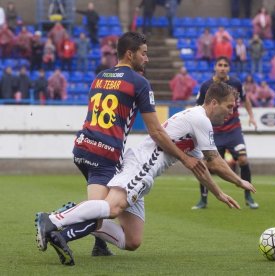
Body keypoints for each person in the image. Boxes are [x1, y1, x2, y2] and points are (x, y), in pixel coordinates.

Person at [35, 82, 256, 266]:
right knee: (112, 208)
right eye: (229, 107)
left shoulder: (196, 123)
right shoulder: (201, 119)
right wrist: (240, 181)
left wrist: (217, 193)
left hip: (144, 173)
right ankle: (54, 219)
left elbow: (202, 166)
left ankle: (77, 212)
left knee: (132, 240)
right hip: (141, 166)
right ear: (214, 103)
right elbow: (216, 162)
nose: (231, 113)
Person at [35, 31, 206, 261]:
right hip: (105, 153)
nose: (147, 59)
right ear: (130, 54)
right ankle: (57, 223)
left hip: (83, 148)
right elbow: (156, 132)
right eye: (144, 54)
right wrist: (185, 158)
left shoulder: (100, 76)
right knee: (103, 211)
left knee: (104, 209)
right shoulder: (139, 83)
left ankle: (99, 245)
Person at [193, 56, 259, 210]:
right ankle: (203, 199)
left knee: (242, 159)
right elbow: (198, 106)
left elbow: (245, 100)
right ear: (215, 67)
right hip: (214, 132)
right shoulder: (206, 86)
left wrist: (251, 116)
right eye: (220, 65)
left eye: (225, 65)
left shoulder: (236, 83)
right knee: (207, 165)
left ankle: (248, 196)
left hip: (233, 131)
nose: (222, 67)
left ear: (229, 68)